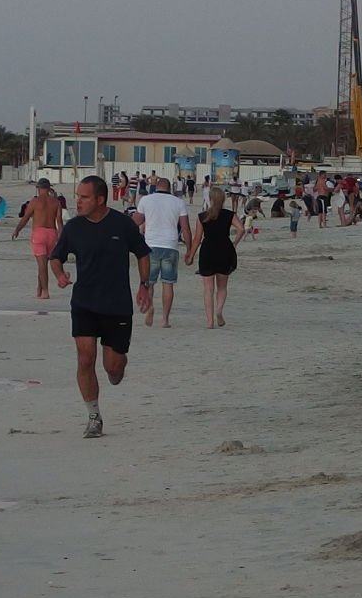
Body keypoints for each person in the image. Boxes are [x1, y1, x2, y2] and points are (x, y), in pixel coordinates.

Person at [50, 176, 153, 438]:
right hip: (84, 302)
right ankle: (94, 417)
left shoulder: (122, 224)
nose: (78, 202)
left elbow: (142, 253)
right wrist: (60, 275)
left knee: (113, 369)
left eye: (84, 197)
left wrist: (144, 285)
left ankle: (120, 363)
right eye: (78, 196)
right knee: (85, 359)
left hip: (117, 305)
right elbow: (55, 257)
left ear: (100, 199)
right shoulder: (73, 227)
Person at [130, 176, 189, 328]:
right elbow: (185, 228)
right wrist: (190, 250)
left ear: (156, 187)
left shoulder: (146, 200)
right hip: (170, 245)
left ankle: (150, 309)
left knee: (149, 283)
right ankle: (165, 319)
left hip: (151, 245)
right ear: (169, 188)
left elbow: (136, 222)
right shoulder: (179, 202)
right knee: (168, 284)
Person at [187, 185, 239, 328]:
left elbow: (197, 239)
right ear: (223, 199)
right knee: (222, 287)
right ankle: (219, 311)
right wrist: (234, 243)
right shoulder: (229, 214)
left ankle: (210, 322)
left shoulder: (202, 216)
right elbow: (241, 229)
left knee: (208, 289)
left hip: (208, 251)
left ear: (210, 199)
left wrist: (191, 255)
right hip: (225, 250)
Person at [11, 178, 67, 299]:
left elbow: (25, 217)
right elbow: (59, 222)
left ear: (38, 188)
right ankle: (39, 289)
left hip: (39, 234)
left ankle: (45, 291)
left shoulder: (34, 202)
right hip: (52, 234)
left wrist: (17, 229)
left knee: (42, 265)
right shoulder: (56, 202)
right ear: (49, 188)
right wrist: (61, 237)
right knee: (45, 263)